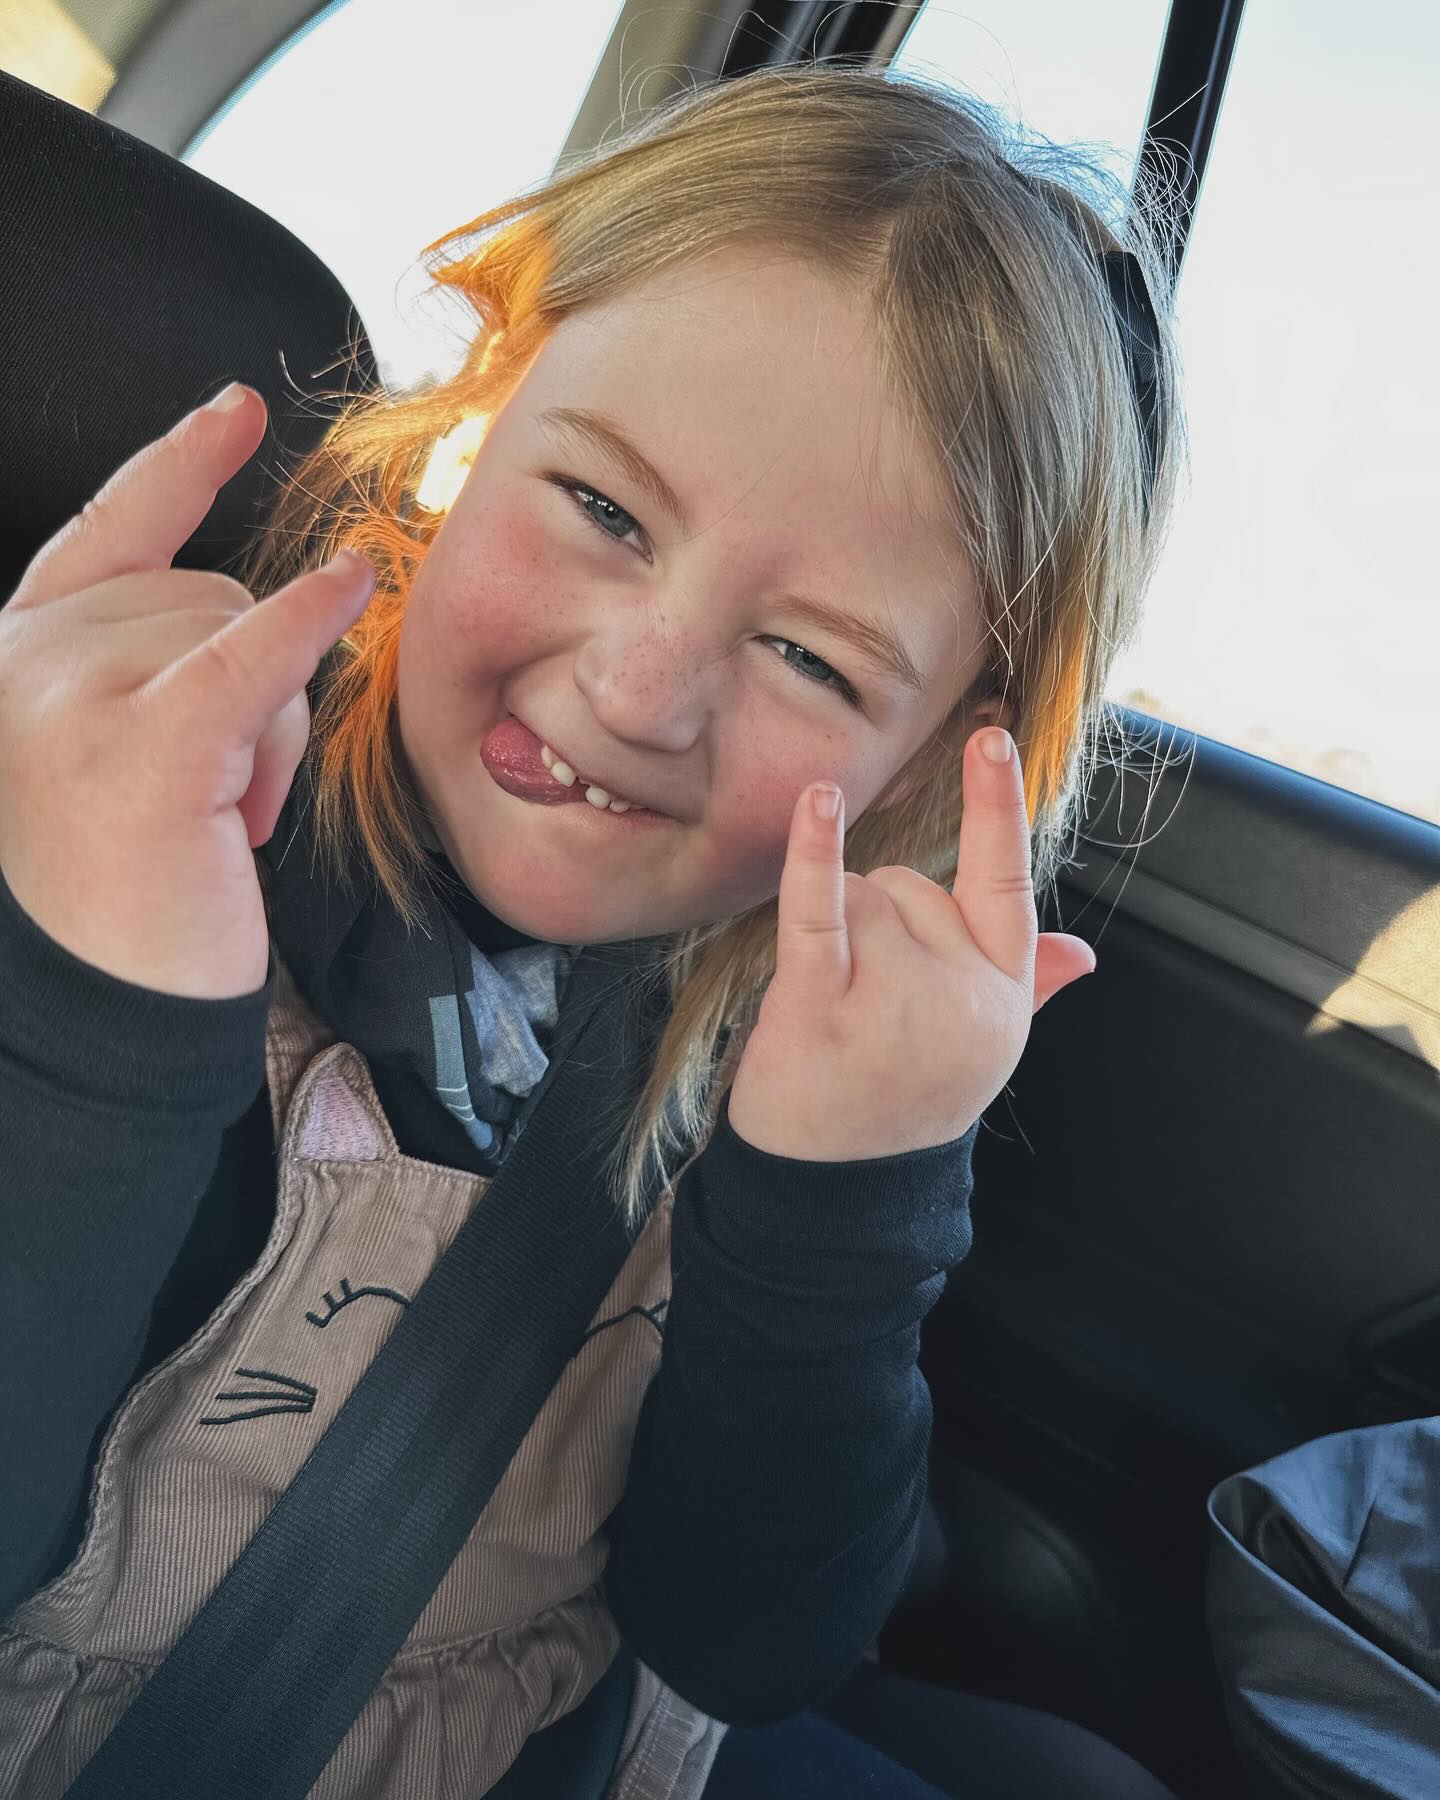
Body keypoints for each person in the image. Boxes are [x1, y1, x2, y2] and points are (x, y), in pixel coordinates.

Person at [0, 64, 1185, 1800]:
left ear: (938, 749)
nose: (639, 693)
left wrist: (841, 1199)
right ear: (485, 407)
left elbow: (746, 1641)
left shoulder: (803, 1041)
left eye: (813, 658)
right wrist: (93, 1015)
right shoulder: (111, 811)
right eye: (605, 512)